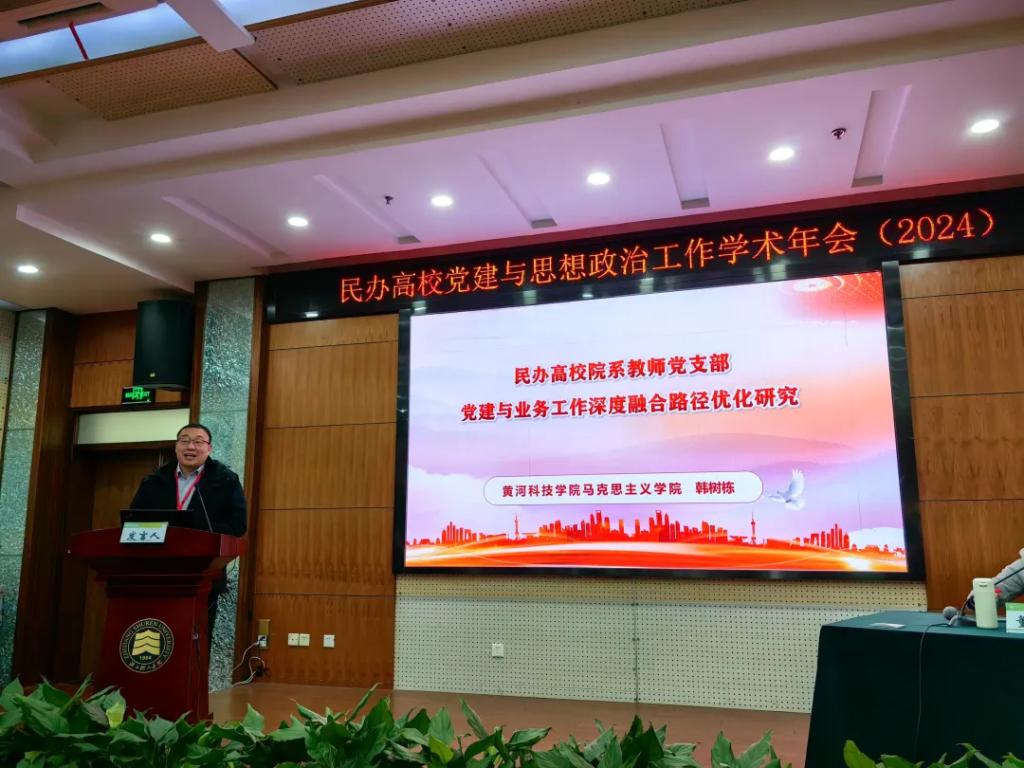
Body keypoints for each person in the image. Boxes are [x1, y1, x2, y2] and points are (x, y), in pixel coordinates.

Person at [129, 422, 247, 656]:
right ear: (176, 447)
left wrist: (197, 533)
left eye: (198, 442)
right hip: (157, 574)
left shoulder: (226, 480)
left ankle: (194, 680)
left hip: (203, 574)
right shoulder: (154, 481)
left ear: (209, 448)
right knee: (157, 639)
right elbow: (133, 521)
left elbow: (237, 525)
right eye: (184, 441)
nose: (190, 447)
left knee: (195, 643)